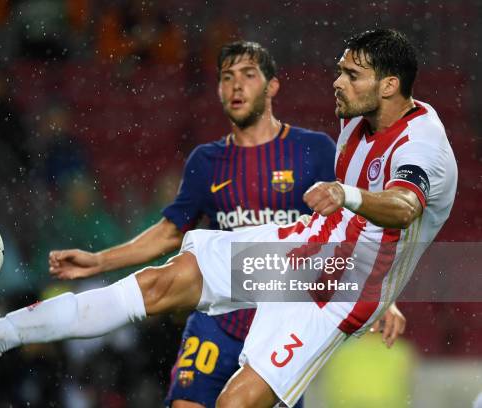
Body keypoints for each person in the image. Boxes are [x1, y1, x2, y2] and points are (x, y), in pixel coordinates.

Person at [0, 28, 454, 408]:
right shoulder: (356, 117)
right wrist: (103, 258)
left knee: (237, 403)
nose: (336, 81)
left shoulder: (421, 145)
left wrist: (350, 198)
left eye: (351, 74)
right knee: (155, 287)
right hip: (298, 254)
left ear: (390, 85)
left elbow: (406, 208)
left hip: (332, 293)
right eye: (338, 70)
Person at [45, 40, 404, 408]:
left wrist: (381, 298)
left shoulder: (314, 150)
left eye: (248, 75)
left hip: (282, 325)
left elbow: (358, 226)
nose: (236, 86)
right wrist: (101, 261)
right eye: (227, 77)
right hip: (217, 321)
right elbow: (171, 231)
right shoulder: (207, 161)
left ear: (272, 85)